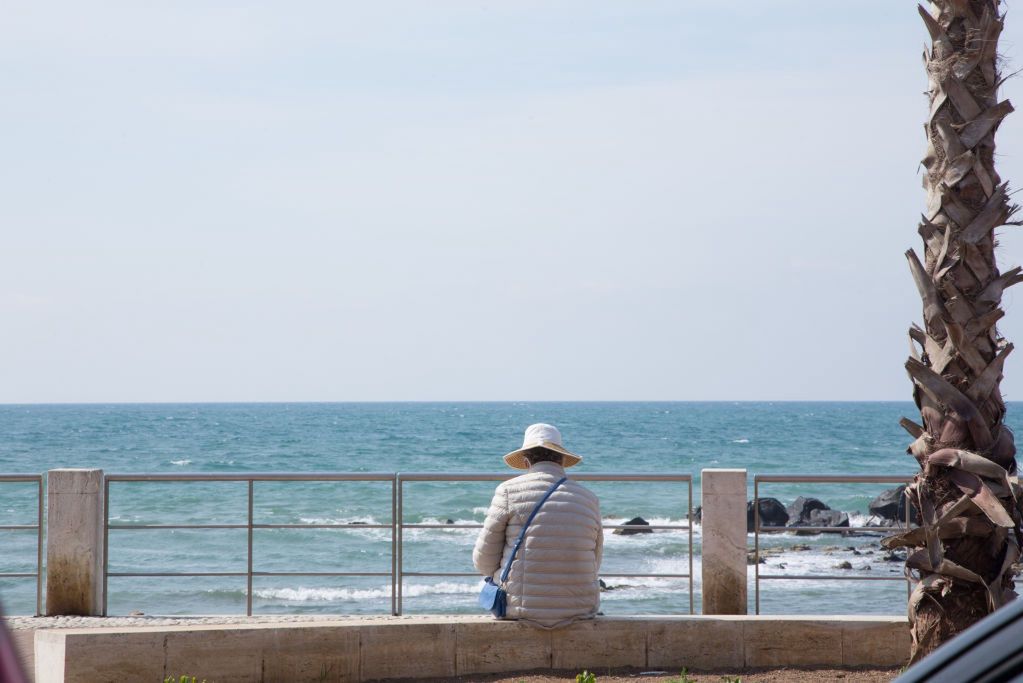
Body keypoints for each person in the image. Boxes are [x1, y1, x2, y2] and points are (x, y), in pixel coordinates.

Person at [472, 423, 603, 628]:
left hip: (520, 610)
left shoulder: (508, 491)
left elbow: (483, 561)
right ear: (562, 460)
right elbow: (595, 560)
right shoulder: (588, 498)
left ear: (525, 462)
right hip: (579, 609)